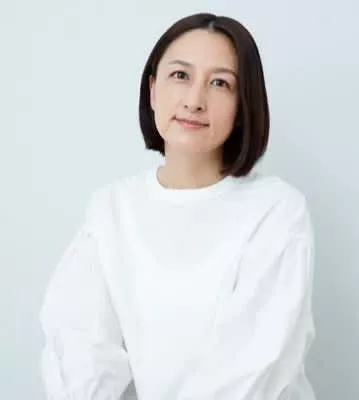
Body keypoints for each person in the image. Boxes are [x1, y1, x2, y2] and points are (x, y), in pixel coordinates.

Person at [39, 12, 316, 400]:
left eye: (220, 83)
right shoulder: (112, 208)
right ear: (153, 90)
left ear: (242, 107)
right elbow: (79, 348)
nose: (194, 101)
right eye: (180, 75)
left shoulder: (277, 210)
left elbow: (251, 372)